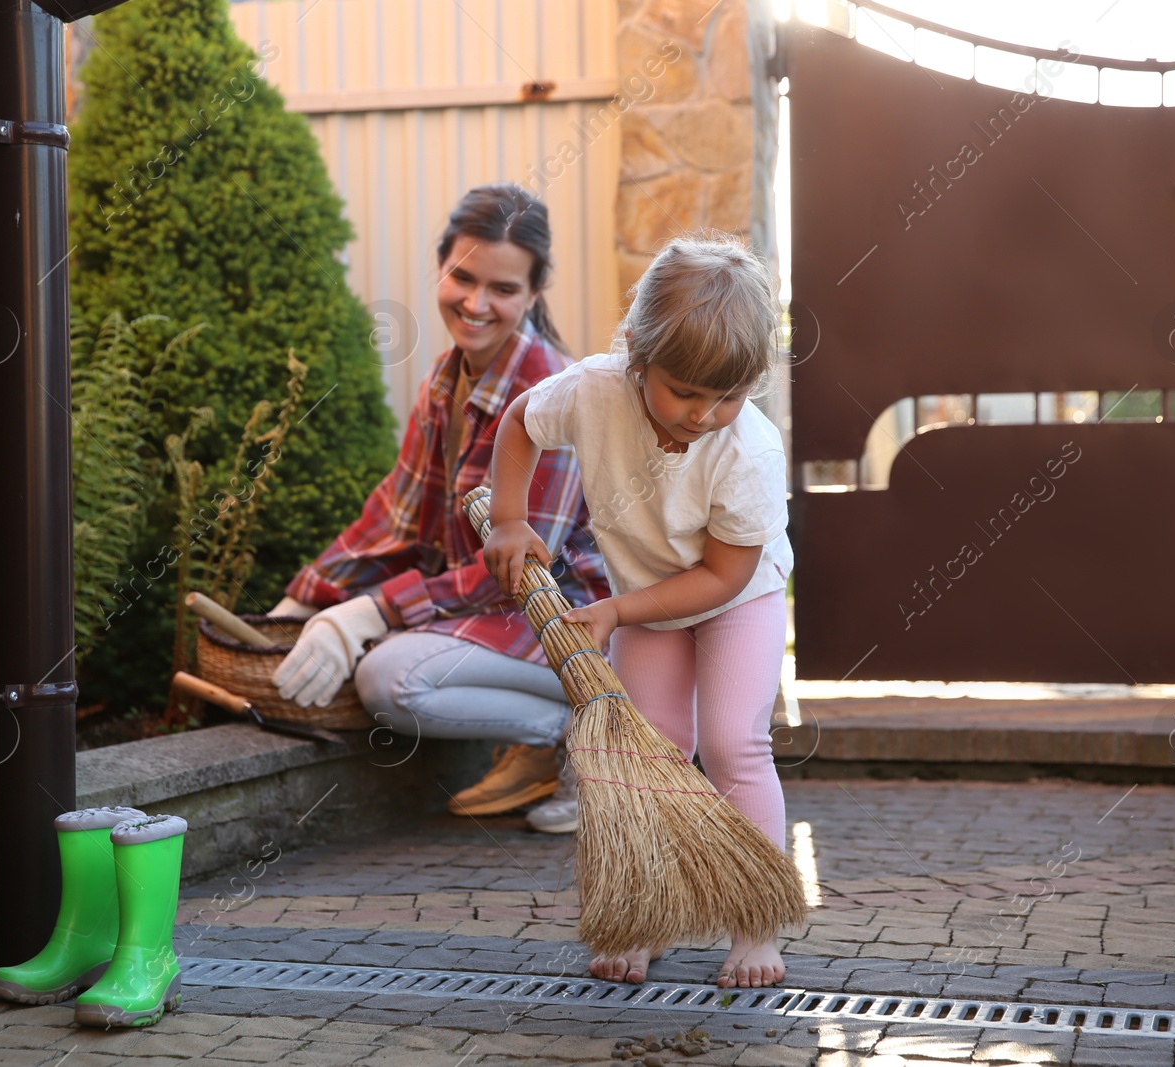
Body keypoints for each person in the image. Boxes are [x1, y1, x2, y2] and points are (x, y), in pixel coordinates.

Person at [482, 234, 793, 989]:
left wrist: (619, 610)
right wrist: (510, 519)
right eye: (687, 391)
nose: (705, 413)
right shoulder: (592, 389)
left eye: (728, 395)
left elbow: (723, 575)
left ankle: (756, 923)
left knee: (730, 743)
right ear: (639, 359)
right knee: (643, 752)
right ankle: (640, 914)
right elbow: (521, 420)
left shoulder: (747, 450)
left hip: (734, 600)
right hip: (646, 600)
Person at [269, 183, 608, 832]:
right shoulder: (444, 383)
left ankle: (588, 735)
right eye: (463, 277)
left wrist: (375, 609)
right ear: (441, 268)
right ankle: (543, 741)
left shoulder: (555, 398)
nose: (477, 304)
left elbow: (514, 570)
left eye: (504, 290)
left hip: (568, 620)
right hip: (492, 620)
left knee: (389, 676)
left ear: (534, 295)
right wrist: (302, 600)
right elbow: (394, 518)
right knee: (376, 643)